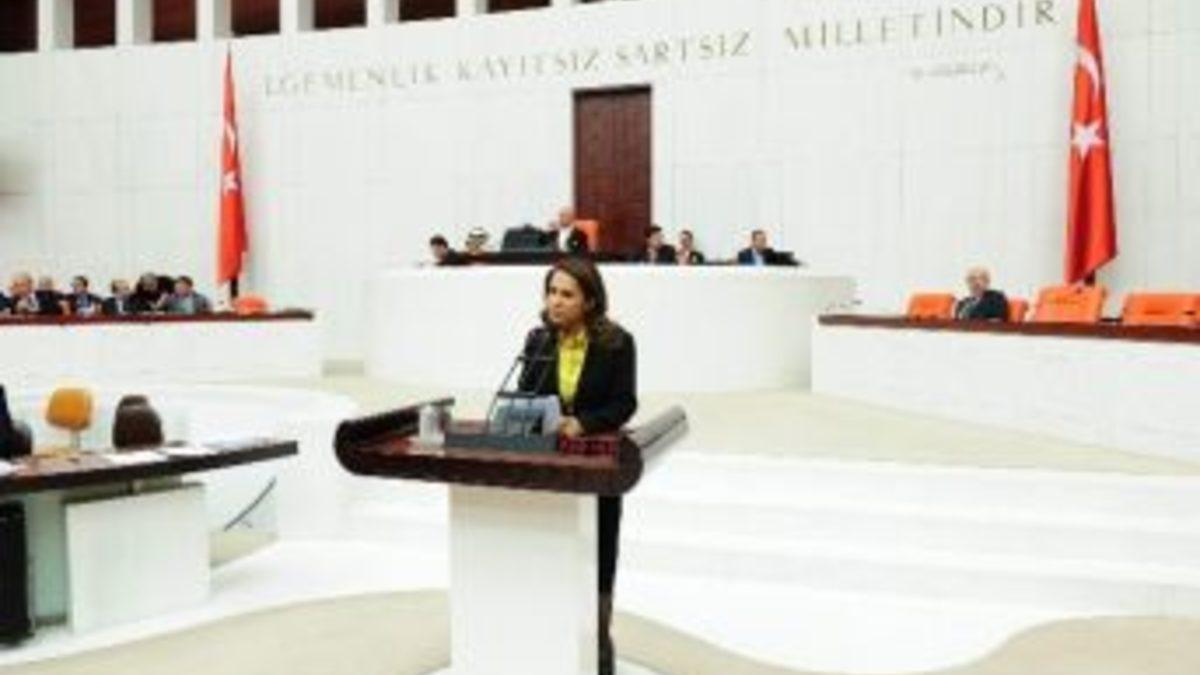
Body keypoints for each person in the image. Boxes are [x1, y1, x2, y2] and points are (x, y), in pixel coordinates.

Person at [517, 258, 637, 675]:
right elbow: (525, 394)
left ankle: (599, 641)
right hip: (549, 465)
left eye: (567, 294)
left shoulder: (617, 342)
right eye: (551, 292)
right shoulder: (538, 340)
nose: (555, 301)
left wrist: (583, 423)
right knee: (551, 549)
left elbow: (624, 403)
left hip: (596, 464)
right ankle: (548, 640)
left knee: (598, 552)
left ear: (589, 300)